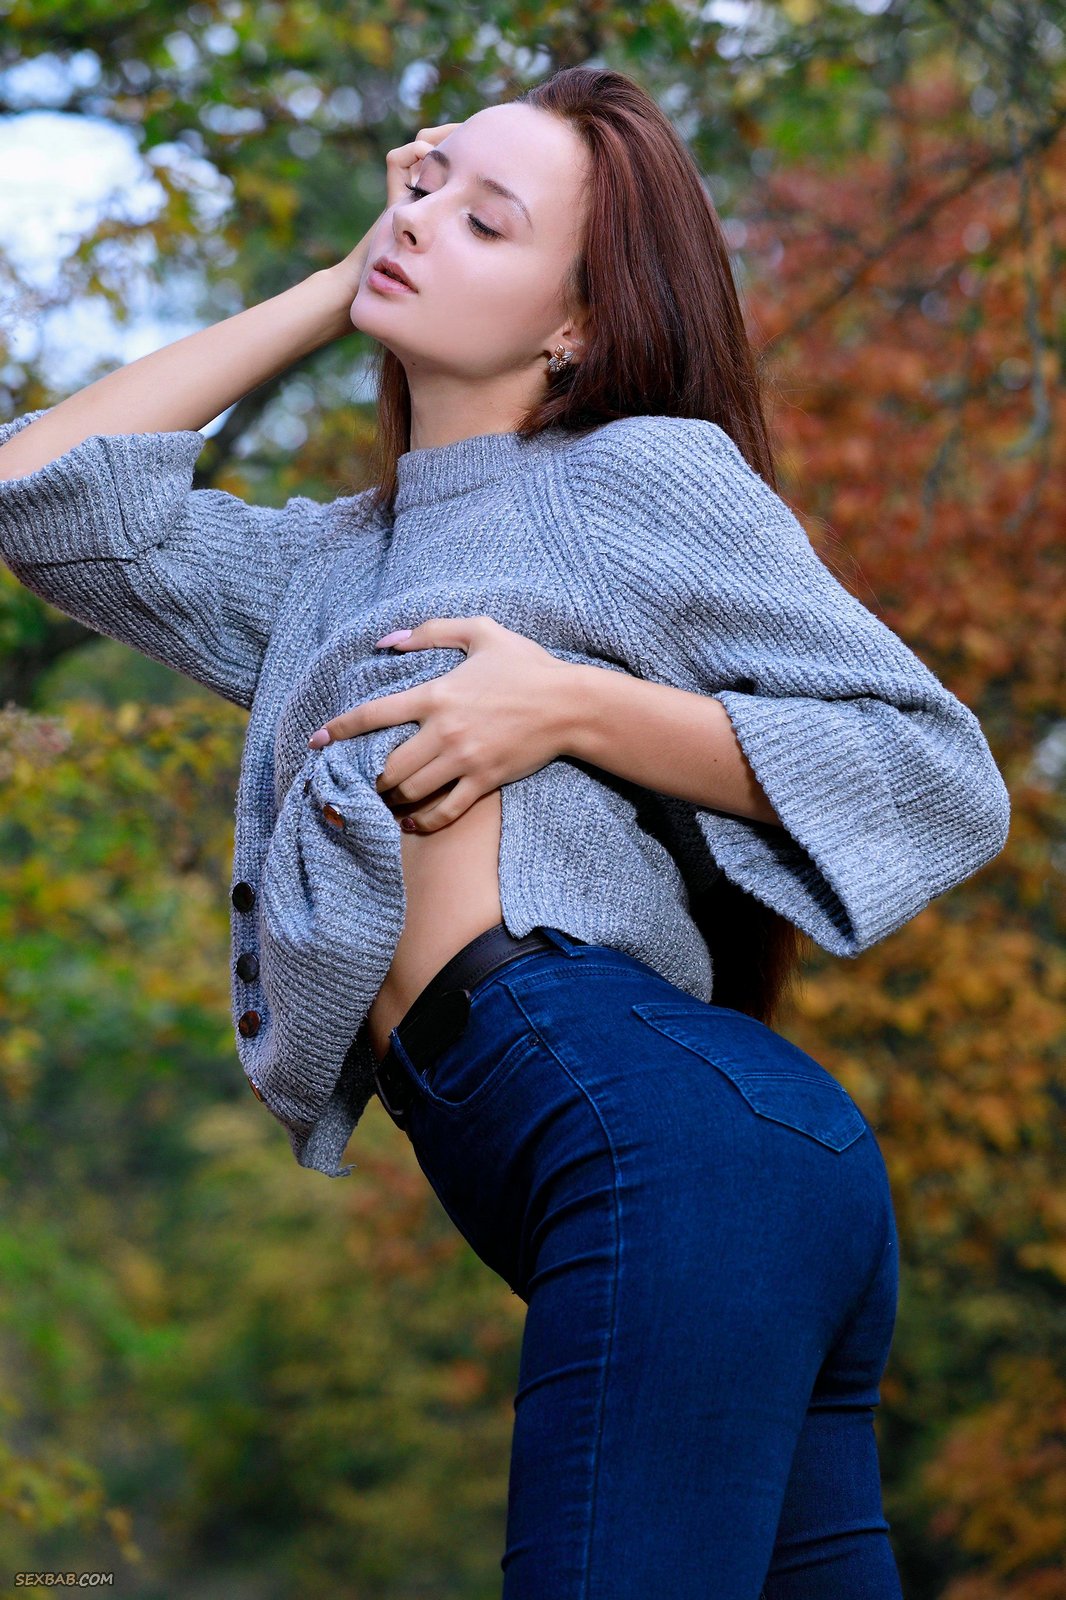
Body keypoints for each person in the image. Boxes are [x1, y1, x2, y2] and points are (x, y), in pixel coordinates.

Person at [0, 65, 1010, 1599]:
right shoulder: (326, 570)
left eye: (489, 220)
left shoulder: (630, 475)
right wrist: (338, 282)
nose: (423, 222)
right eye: (424, 188)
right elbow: (39, 499)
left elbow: (937, 771)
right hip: (693, 1158)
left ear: (578, 325)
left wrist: (574, 709)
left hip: (659, 1136)